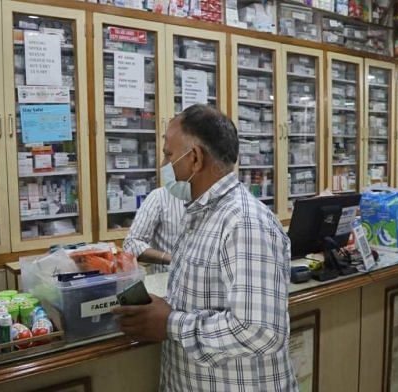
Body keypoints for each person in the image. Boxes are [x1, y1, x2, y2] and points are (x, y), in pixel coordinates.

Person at [113, 104, 298, 391]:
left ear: (195, 158)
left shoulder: (243, 222)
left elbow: (260, 331)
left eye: (168, 155)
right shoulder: (202, 213)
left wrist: (171, 323)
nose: (164, 165)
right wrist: (161, 309)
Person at [123, 187, 185, 273]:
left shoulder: (209, 198)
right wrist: (171, 259)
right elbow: (131, 243)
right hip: (167, 280)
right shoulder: (159, 197)